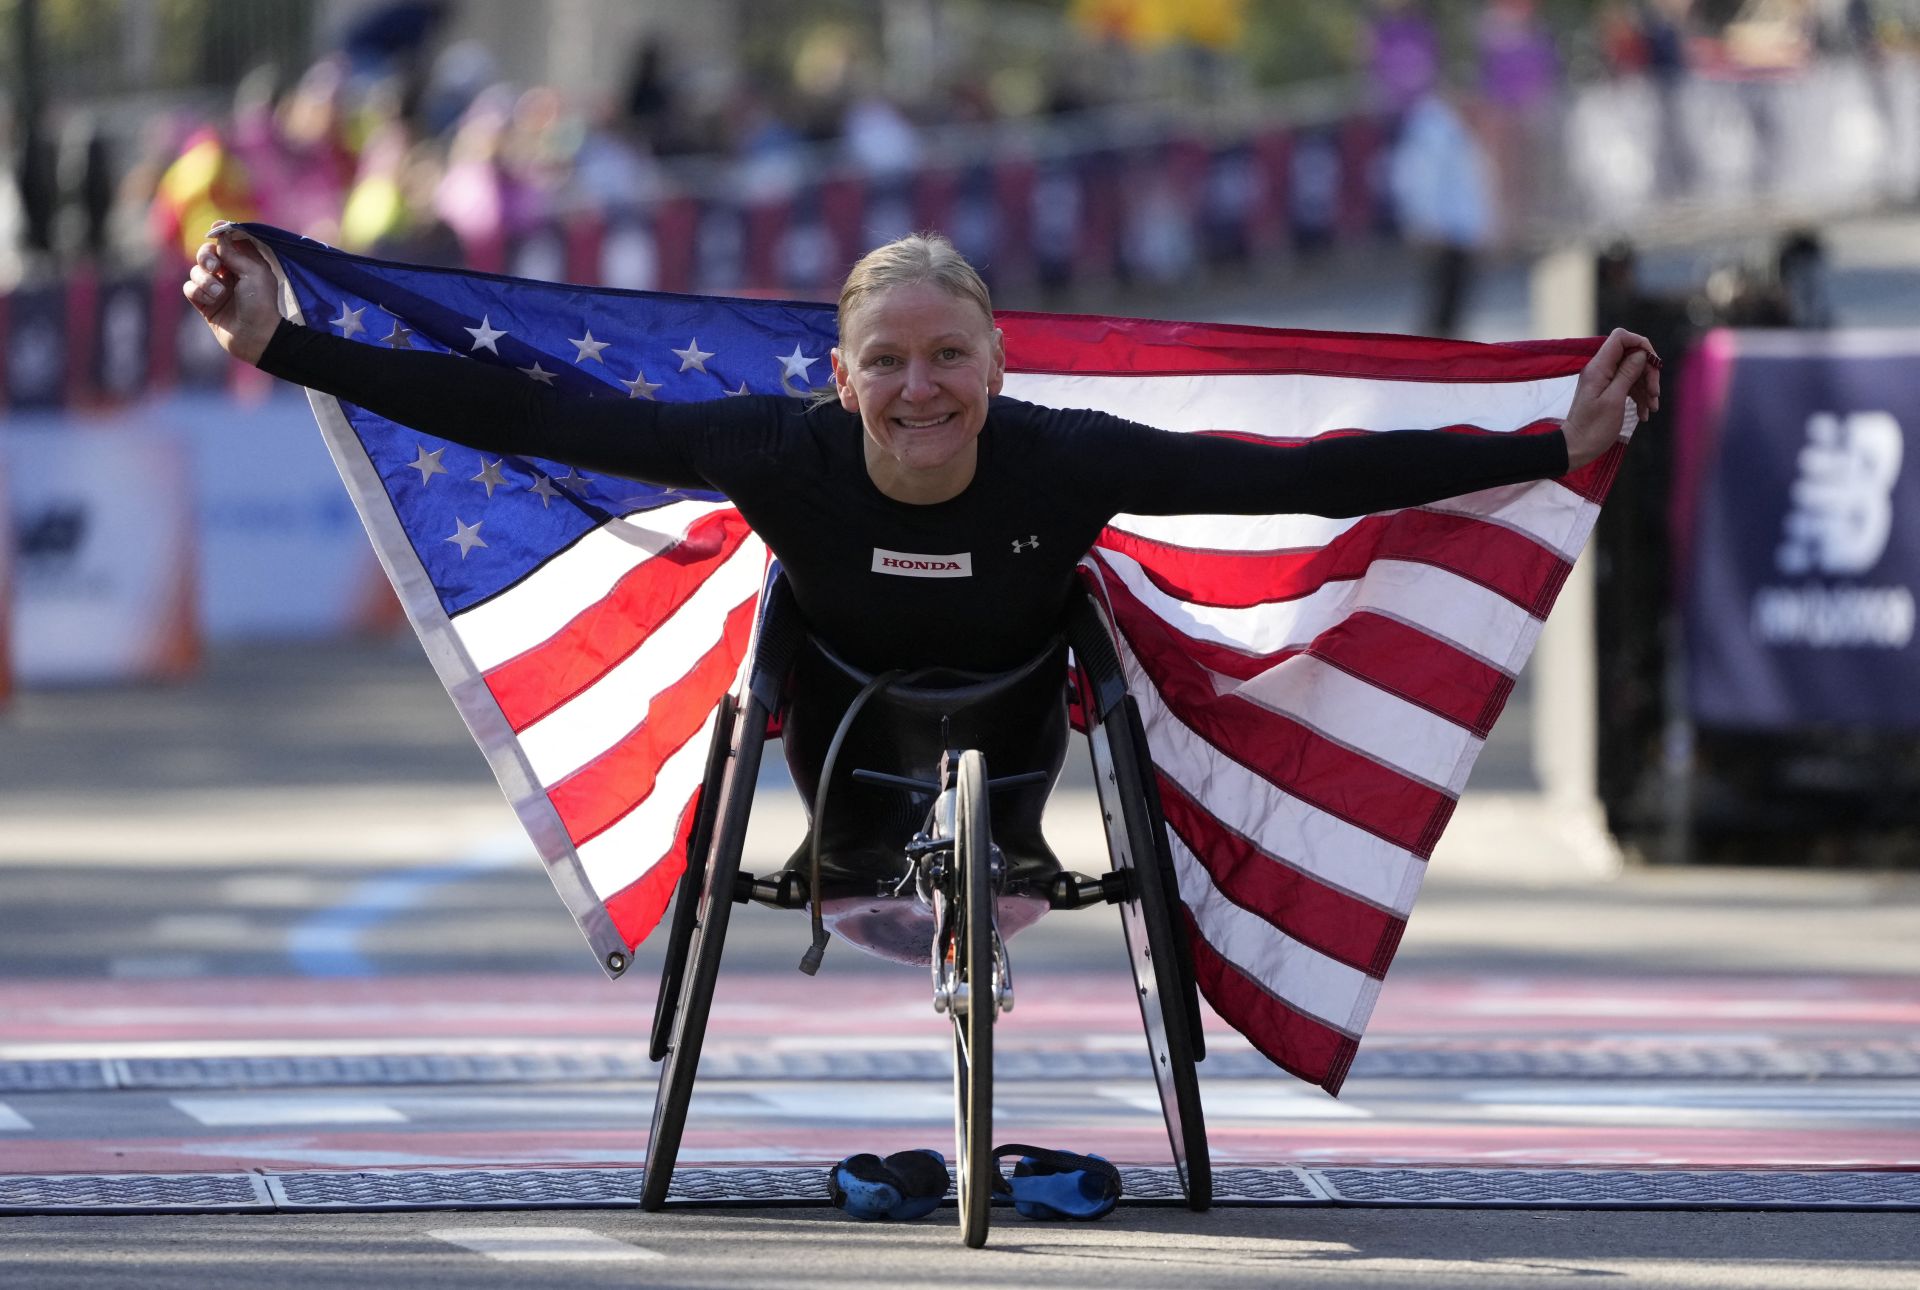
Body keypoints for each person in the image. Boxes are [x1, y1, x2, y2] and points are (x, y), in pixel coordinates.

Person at [183, 226, 1658, 957]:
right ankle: (862, 859)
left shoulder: (1061, 456)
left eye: (949, 357)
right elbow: (538, 417)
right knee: (842, 771)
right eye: (885, 362)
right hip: (843, 751)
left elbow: (1298, 475)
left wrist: (1548, 440)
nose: (919, 388)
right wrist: (281, 342)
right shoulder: (773, 445)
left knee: (1025, 750)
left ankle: (997, 857)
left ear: (997, 372)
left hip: (1019, 746)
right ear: (840, 379)